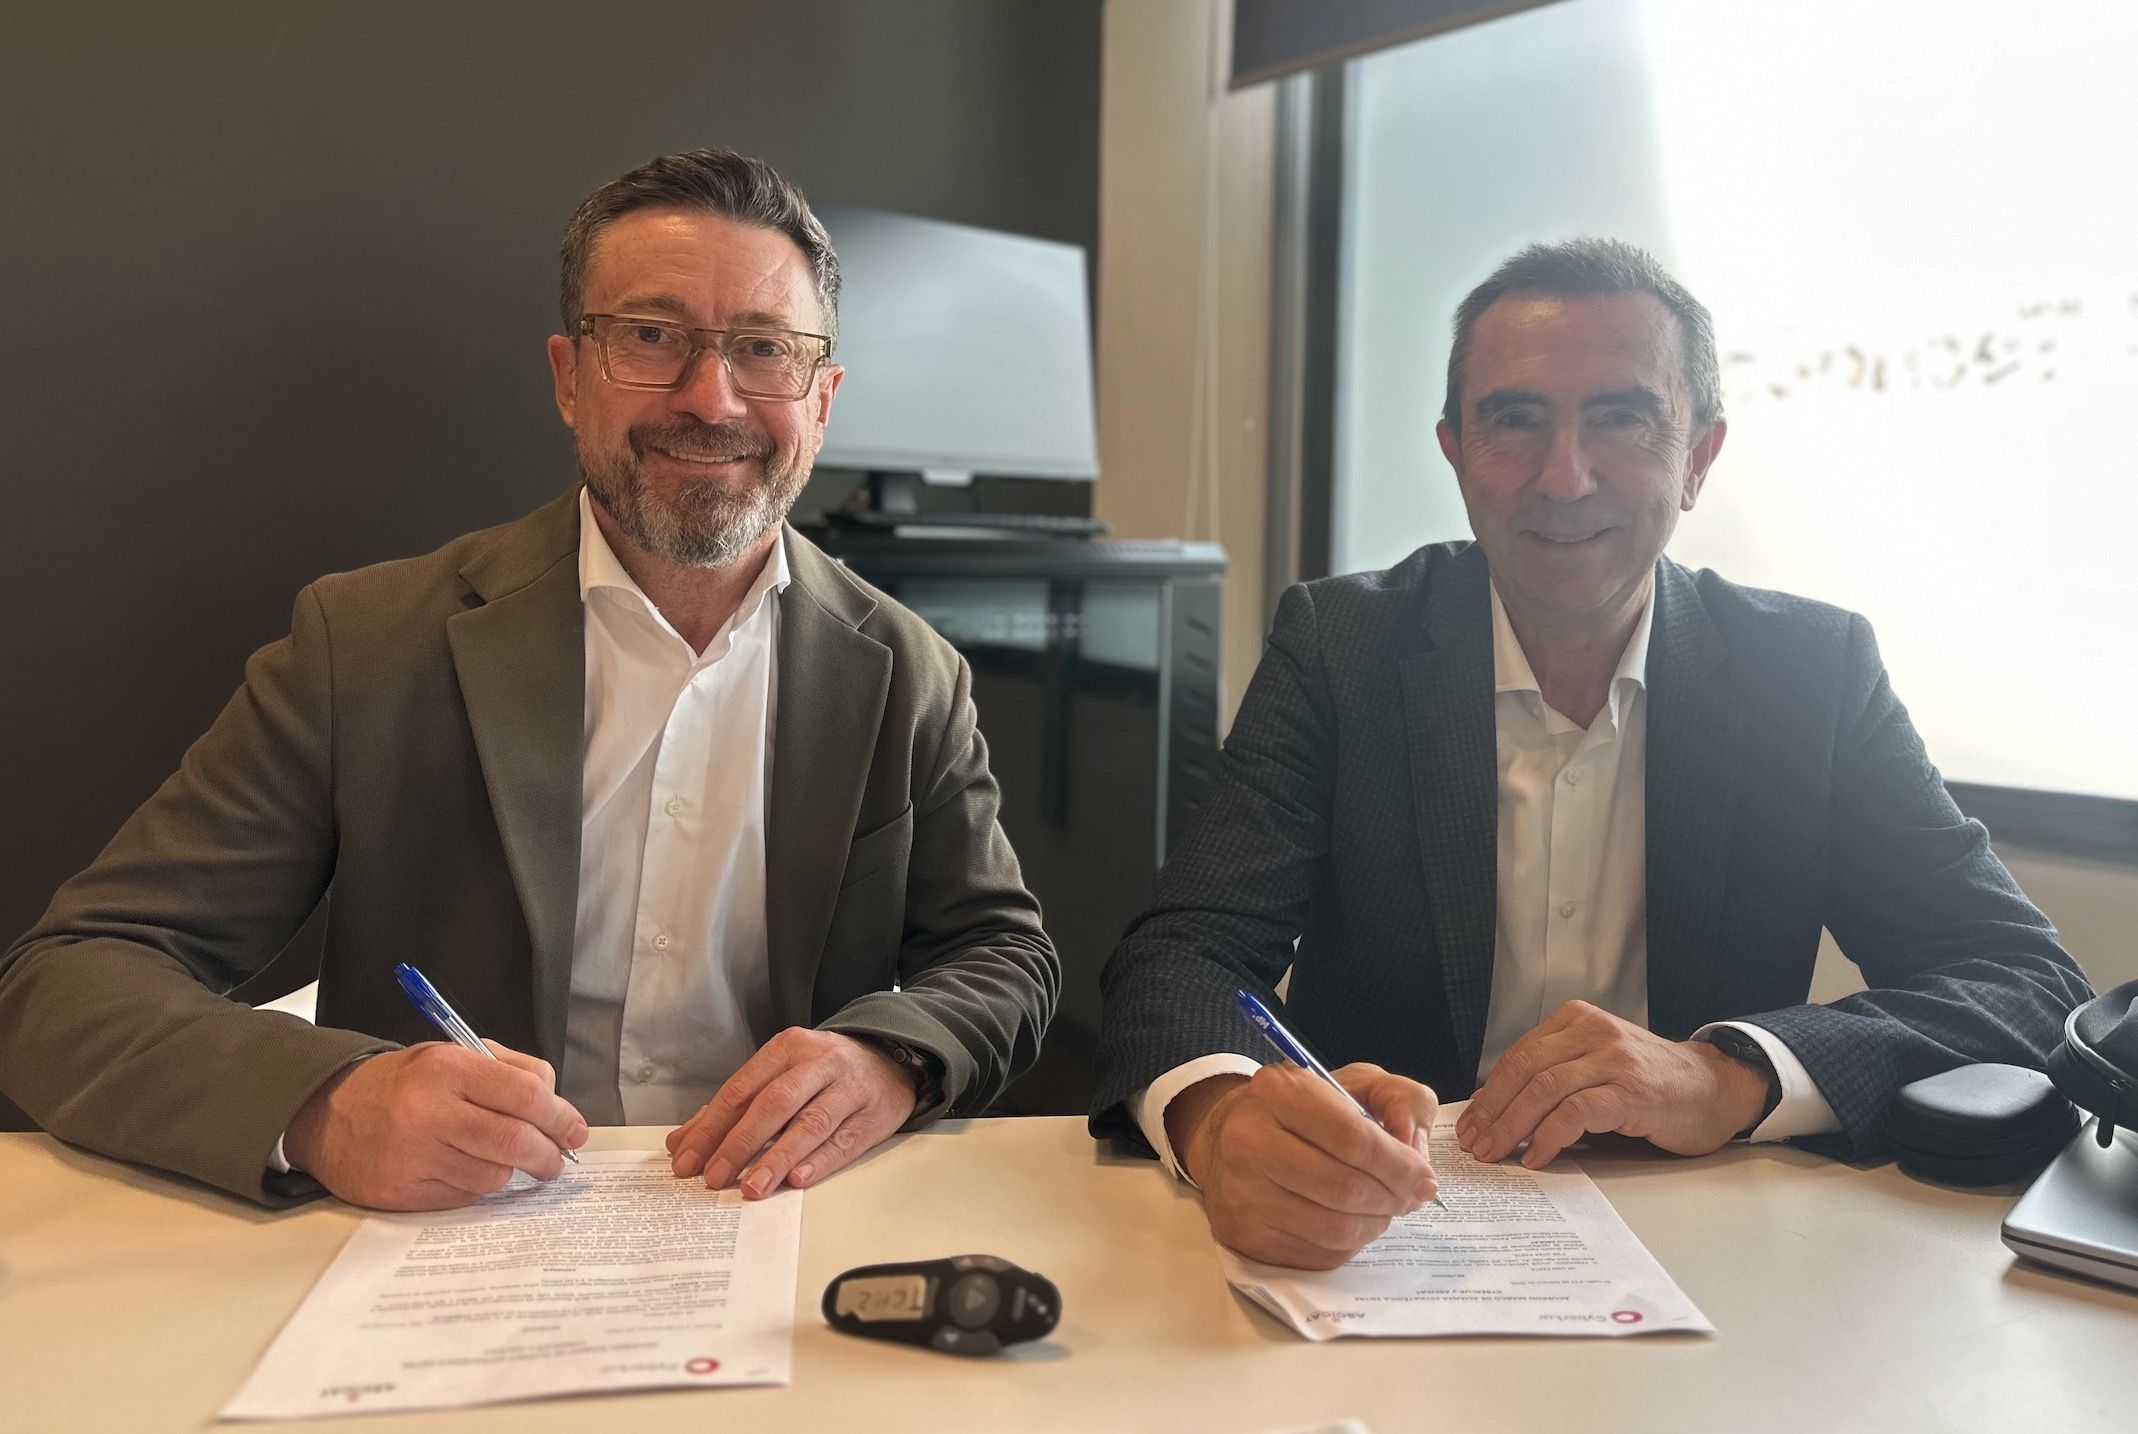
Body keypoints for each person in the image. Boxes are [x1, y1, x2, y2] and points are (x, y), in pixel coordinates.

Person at [0, 149, 1058, 1211]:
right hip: (447, 1240)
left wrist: (889, 1058)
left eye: (764, 349)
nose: (710, 398)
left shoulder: (911, 672)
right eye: (650, 337)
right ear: (568, 378)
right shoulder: (364, 646)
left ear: (821, 401)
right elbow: (68, 978)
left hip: (780, 1225)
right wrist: (326, 1107)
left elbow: (1000, 954)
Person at [1090, 238, 2092, 1270]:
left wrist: (1726, 1075)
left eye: (1621, 419)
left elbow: (2021, 981)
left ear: (1697, 459)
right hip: (1377, 1236)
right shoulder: (1340, 649)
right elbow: (1184, 957)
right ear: (1454, 452)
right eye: (1514, 420)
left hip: (1712, 1243)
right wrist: (1222, 1119)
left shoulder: (1808, 673)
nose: (1563, 478)